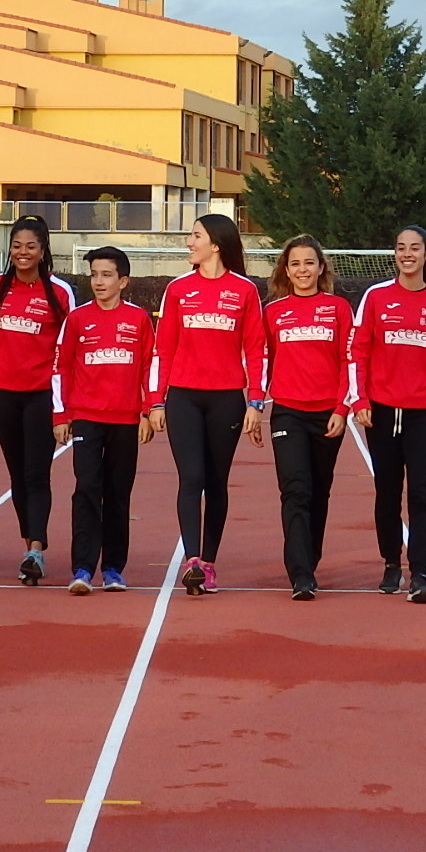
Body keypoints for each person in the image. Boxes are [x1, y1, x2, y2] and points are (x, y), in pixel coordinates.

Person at [149, 213, 267, 596]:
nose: (188, 242)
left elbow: (256, 349)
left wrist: (255, 402)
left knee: (216, 482)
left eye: (194, 236)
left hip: (227, 399)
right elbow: (162, 348)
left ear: (215, 243)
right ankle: (193, 561)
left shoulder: (245, 291)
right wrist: (156, 401)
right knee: (192, 477)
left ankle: (210, 563)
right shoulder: (179, 289)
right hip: (183, 396)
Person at [351, 225, 426, 604]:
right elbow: (359, 351)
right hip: (381, 410)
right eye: (401, 248)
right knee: (387, 492)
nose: (407, 254)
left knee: (422, 495)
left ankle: (421, 572)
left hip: (424, 414)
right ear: (394, 254)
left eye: (415, 248)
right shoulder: (376, 297)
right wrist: (360, 399)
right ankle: (391, 563)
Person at [52, 246, 154, 594]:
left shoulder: (139, 319)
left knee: (118, 494)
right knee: (86, 490)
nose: (99, 281)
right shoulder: (77, 319)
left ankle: (113, 568)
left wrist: (147, 410)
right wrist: (61, 414)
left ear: (123, 280)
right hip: (87, 418)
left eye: (107, 274)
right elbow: (61, 367)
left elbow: (147, 368)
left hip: (126, 420)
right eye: (94, 274)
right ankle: (82, 568)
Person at [256, 235, 353, 600]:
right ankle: (300, 573)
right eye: (295, 264)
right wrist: (254, 405)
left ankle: (310, 557)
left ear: (321, 267)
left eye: (309, 263)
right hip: (288, 413)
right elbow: (263, 361)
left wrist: (342, 408)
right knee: (295, 490)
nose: (302, 270)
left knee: (318, 492)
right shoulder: (274, 312)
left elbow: (349, 362)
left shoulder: (339, 309)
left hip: (328, 414)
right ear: (286, 270)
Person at [0, 216, 76, 585]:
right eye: (17, 246)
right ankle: (29, 545)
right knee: (16, 475)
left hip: (41, 395)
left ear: (43, 251)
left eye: (31, 246)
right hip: (3, 393)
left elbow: (69, 348)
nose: (23, 253)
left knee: (37, 474)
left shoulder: (58, 292)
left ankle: (36, 547)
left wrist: (64, 407)